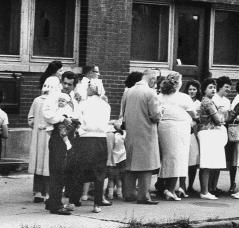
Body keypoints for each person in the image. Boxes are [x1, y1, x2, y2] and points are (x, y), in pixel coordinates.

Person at [120, 69, 162, 204]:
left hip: (131, 133)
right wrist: (161, 112)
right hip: (147, 132)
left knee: (130, 164)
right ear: (152, 79)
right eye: (155, 80)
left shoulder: (129, 91)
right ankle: (144, 196)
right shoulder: (150, 93)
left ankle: (129, 193)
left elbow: (123, 113)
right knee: (146, 165)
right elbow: (155, 115)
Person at [71, 82, 112, 212]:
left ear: (90, 90)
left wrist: (80, 131)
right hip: (100, 139)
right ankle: (97, 204)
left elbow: (76, 119)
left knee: (78, 169)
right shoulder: (106, 105)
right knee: (99, 171)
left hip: (84, 139)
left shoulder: (82, 104)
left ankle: (74, 201)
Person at [44, 71, 79, 215]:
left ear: (74, 85)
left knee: (64, 169)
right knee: (57, 169)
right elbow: (47, 114)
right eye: (64, 83)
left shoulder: (73, 98)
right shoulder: (53, 96)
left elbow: (77, 113)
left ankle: (52, 200)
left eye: (69, 84)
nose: (66, 86)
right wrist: (63, 119)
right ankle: (55, 205)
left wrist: (75, 122)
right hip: (58, 135)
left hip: (70, 134)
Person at [157, 72, 194, 202]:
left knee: (166, 157)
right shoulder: (183, 98)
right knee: (177, 158)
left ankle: (163, 186)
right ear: (178, 83)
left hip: (163, 128)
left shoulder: (159, 96)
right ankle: (170, 189)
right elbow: (194, 114)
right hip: (179, 129)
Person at [196, 78, 227, 200]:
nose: (213, 89)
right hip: (207, 133)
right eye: (210, 87)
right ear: (204, 90)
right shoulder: (208, 102)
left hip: (206, 132)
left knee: (207, 163)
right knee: (206, 164)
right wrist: (222, 116)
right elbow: (218, 120)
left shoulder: (207, 101)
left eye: (214, 87)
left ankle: (206, 190)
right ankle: (204, 191)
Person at [181, 79, 202, 197]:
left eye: (194, 89)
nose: (192, 91)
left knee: (193, 161)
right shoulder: (183, 101)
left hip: (194, 134)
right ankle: (182, 185)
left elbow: (200, 118)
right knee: (183, 159)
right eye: (190, 89)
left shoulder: (199, 103)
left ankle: (191, 185)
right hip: (184, 132)